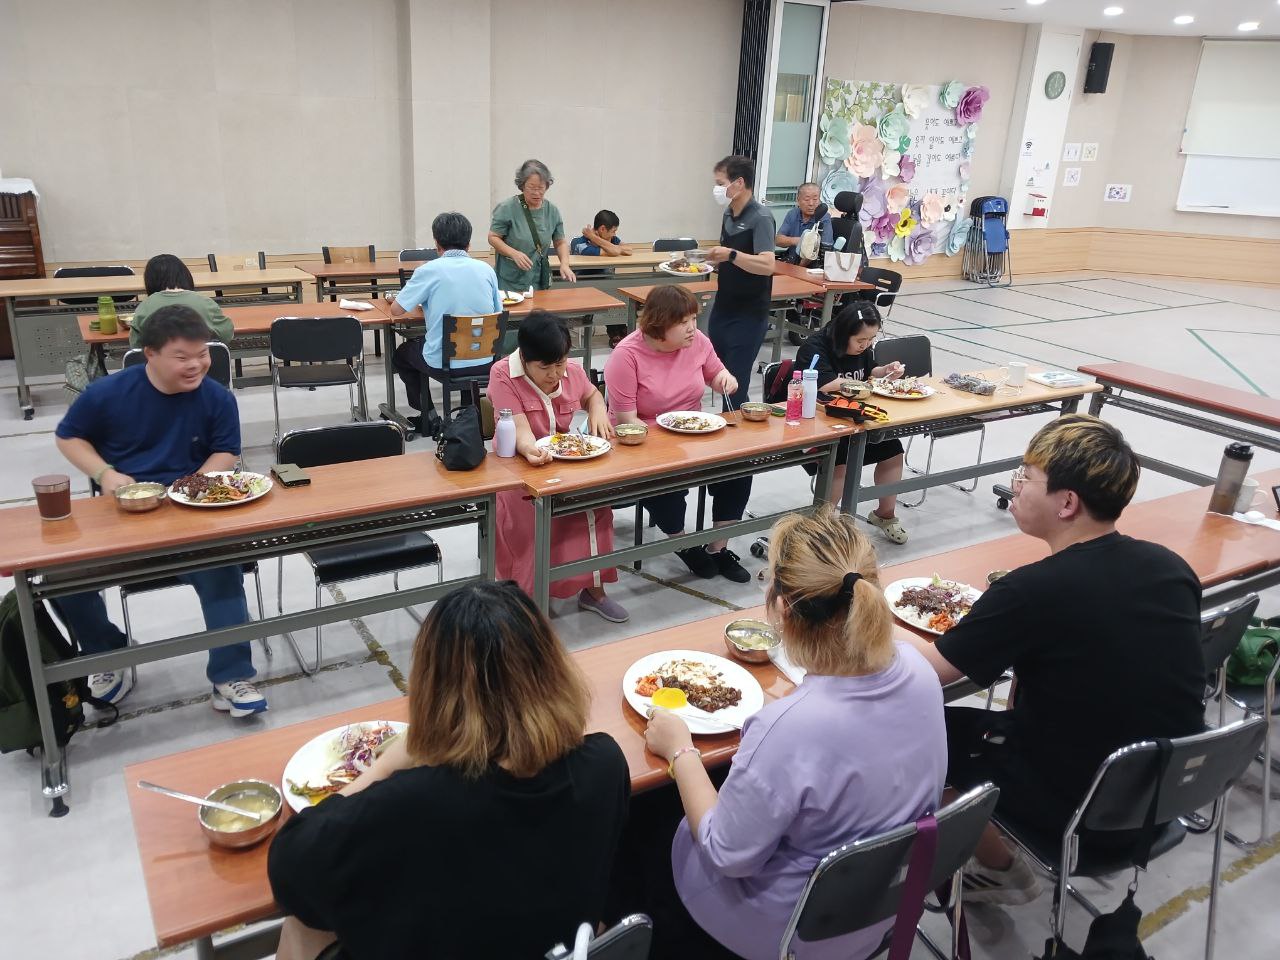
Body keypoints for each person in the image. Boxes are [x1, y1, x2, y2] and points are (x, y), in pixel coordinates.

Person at [905, 415, 1206, 904]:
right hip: (1160, 796)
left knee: (913, 734)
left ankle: (1000, 868)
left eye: (1025, 476)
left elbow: (921, 674)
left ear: (1067, 502)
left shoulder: (1033, 590)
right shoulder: (1170, 567)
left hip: (1081, 811)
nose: (1015, 486)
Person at [625, 506, 946, 959]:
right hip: (878, 907)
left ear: (781, 607)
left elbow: (726, 854)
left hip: (786, 933)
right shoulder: (918, 668)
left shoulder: (790, 728)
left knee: (637, 814)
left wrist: (681, 751)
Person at [268, 581, 629, 960]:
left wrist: (383, 766)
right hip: (555, 943)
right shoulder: (605, 762)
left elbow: (288, 867)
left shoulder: (411, 801)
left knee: (303, 926)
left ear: (434, 690)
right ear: (552, 669)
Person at [52, 305, 266, 716]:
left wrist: (193, 486)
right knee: (64, 577)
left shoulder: (217, 398)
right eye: (182, 356)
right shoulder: (107, 394)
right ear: (150, 353)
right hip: (124, 515)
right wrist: (105, 474)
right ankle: (107, 652)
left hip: (190, 513)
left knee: (222, 568)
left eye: (202, 353)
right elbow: (69, 438)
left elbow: (226, 451)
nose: (196, 364)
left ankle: (230, 676)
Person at [486, 311, 627, 622]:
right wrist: (530, 449)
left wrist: (599, 410)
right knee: (530, 521)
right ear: (524, 357)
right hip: (518, 467)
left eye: (560, 364)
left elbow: (591, 394)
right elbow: (520, 430)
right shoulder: (502, 374)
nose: (554, 374)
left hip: (563, 462)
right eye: (545, 367)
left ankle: (593, 590)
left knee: (597, 507)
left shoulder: (571, 371)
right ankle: (525, 602)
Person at [603, 284, 749, 583]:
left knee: (739, 466)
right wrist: (663, 440)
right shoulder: (626, 355)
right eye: (683, 322)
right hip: (642, 438)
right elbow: (626, 421)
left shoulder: (697, 342)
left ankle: (717, 547)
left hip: (692, 432)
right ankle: (682, 543)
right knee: (663, 478)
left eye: (694, 319)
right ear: (659, 324)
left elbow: (716, 374)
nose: (692, 328)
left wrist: (725, 379)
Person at [794, 301, 909, 544]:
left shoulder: (861, 347)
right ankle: (821, 526)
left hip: (856, 420)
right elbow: (823, 384)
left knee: (892, 450)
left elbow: (869, 372)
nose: (865, 345)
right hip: (817, 423)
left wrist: (885, 371)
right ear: (844, 332)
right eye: (861, 340)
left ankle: (885, 514)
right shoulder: (815, 347)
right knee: (842, 461)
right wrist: (864, 386)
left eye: (871, 340)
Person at [389, 211, 502, 437]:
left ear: (437, 243)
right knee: (467, 346)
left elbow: (396, 310)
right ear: (469, 244)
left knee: (403, 355)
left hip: (443, 362)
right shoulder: (487, 270)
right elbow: (497, 313)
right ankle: (469, 414)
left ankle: (429, 415)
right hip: (485, 359)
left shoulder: (428, 271)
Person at [705, 155, 776, 411]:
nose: (717, 189)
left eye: (720, 182)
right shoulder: (728, 213)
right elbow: (729, 256)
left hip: (749, 312)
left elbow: (768, 264)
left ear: (739, 183)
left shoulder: (761, 217)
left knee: (736, 381)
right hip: (724, 306)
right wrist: (715, 261)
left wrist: (731, 255)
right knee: (719, 374)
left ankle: (734, 441)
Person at [488, 159, 577, 293]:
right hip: (510, 280)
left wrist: (564, 264)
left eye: (541, 188)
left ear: (547, 186)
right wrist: (514, 254)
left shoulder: (552, 211)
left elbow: (560, 242)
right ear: (522, 185)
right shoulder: (507, 208)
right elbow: (493, 237)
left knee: (539, 312)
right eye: (531, 187)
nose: (536, 193)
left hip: (539, 278)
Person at [127, 254, 233, 349]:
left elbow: (135, 347)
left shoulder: (145, 307)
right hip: (203, 368)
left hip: (160, 369)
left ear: (150, 281)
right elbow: (226, 335)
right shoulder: (206, 302)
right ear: (185, 275)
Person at [570, 209, 633, 347]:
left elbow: (628, 250)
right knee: (610, 292)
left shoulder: (609, 239)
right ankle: (617, 332)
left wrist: (594, 237)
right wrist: (597, 240)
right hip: (583, 289)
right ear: (603, 229)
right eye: (613, 231)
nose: (615, 235)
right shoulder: (580, 244)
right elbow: (616, 250)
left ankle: (621, 329)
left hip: (605, 286)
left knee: (619, 292)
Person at [775, 182, 832, 265]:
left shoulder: (824, 217)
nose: (811, 204)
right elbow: (778, 240)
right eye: (807, 199)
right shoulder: (793, 214)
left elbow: (824, 248)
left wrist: (798, 267)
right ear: (798, 200)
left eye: (815, 199)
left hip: (811, 267)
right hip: (791, 261)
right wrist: (797, 241)